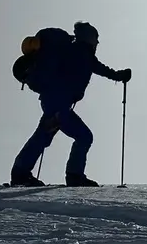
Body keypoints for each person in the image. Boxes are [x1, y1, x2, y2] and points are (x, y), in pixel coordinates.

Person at [10, 22, 131, 187]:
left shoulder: (72, 50)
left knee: (45, 135)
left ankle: (22, 172)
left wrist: (118, 75)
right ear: (89, 38)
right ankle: (71, 175)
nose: (97, 43)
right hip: (58, 103)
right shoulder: (82, 53)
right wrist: (120, 76)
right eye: (96, 39)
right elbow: (102, 69)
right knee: (80, 136)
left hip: (53, 101)